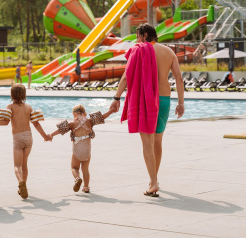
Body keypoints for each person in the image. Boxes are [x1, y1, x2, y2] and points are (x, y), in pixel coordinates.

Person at [110, 23, 185, 197]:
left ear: (144, 36)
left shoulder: (138, 50)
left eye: (137, 36)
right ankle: (154, 178)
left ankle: (153, 183)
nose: (136, 40)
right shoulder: (169, 52)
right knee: (157, 141)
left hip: (146, 99)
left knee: (147, 142)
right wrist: (181, 102)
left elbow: (126, 76)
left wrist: (116, 97)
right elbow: (179, 78)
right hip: (165, 99)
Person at [0, 84, 49, 199]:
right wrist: (45, 136)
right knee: (24, 164)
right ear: (24, 95)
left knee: (17, 165)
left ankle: (21, 182)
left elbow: (5, 122)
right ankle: (23, 184)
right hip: (29, 137)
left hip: (18, 138)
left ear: (12, 94)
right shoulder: (29, 107)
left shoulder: (10, 107)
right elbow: (36, 123)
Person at [48, 105, 115, 193]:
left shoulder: (72, 124)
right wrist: (111, 111)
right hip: (87, 150)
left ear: (73, 114)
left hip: (77, 151)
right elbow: (102, 117)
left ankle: (77, 178)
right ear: (85, 113)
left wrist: (50, 135)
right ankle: (86, 187)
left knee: (74, 168)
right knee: (85, 169)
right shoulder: (90, 121)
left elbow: (60, 130)